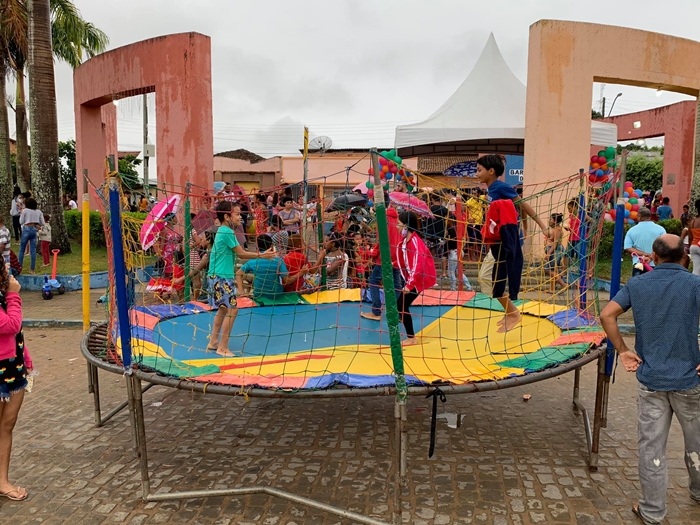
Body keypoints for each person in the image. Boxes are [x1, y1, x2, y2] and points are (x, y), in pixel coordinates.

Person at [600, 234, 700, 524]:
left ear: (653, 258)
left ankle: (653, 511)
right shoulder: (695, 285)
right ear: (685, 257)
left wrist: (623, 351)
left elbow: (607, 315)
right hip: (689, 380)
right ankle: (697, 491)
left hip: (651, 380)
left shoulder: (638, 284)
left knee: (651, 448)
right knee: (696, 442)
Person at [476, 155, 547, 332]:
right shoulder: (492, 190)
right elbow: (516, 207)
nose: (477, 174)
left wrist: (540, 226)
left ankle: (513, 313)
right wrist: (524, 226)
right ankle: (510, 312)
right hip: (497, 242)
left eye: (479, 170)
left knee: (494, 280)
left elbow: (522, 204)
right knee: (489, 278)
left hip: (504, 242)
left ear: (491, 171)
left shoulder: (501, 187)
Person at [206, 201, 272, 357]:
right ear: (227, 216)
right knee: (232, 310)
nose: (240, 217)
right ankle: (223, 347)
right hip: (221, 277)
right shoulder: (227, 232)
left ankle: (214, 341)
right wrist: (262, 255)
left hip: (215, 275)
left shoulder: (222, 231)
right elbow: (242, 253)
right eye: (237, 214)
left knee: (223, 308)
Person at [0, 266, 31, 501]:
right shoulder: (9, 295)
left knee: (7, 426)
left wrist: (25, 358)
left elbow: (16, 331)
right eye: (4, 267)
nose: (9, 270)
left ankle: (2, 480)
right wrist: (13, 294)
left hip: (14, 369)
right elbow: (9, 324)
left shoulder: (3, 295)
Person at [395, 211, 436, 345]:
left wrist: (410, 285)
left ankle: (411, 338)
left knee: (401, 305)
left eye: (399, 224)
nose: (397, 226)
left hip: (418, 279)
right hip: (412, 278)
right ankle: (408, 331)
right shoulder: (405, 241)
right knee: (401, 305)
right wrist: (394, 264)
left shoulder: (415, 241)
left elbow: (418, 264)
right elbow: (406, 260)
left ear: (406, 226)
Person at [361, 196, 404, 321]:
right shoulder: (397, 218)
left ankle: (376, 311)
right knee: (396, 285)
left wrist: (372, 253)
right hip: (396, 255)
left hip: (385, 255)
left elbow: (382, 240)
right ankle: (399, 313)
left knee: (373, 280)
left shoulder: (383, 218)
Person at [237, 234, 290, 300]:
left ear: (257, 247)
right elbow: (286, 281)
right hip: (276, 295)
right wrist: (300, 273)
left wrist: (242, 293)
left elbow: (238, 274)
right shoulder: (279, 261)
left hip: (259, 295)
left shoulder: (253, 262)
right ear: (271, 246)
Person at [624, 207, 665, 277]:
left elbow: (628, 247)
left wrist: (644, 254)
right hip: (656, 264)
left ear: (639, 217)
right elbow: (664, 246)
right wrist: (651, 256)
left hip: (639, 264)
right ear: (650, 216)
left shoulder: (631, 230)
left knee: (637, 286)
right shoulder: (661, 229)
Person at [18, 198, 44, 274]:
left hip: (26, 229)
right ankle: (32, 269)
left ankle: (19, 267)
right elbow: (42, 223)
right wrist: (36, 224)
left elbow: (21, 222)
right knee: (33, 250)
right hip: (34, 229)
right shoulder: (38, 212)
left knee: (22, 249)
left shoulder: (25, 211)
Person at [544, 213, 566, 292]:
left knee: (547, 269)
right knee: (553, 270)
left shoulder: (557, 229)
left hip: (555, 250)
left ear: (555, 221)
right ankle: (552, 289)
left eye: (551, 219)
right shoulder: (555, 229)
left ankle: (563, 284)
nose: (549, 221)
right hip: (553, 250)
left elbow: (555, 243)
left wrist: (549, 253)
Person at [683, 200, 700, 275]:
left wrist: (690, 247)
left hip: (694, 246)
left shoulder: (692, 222)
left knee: (696, 270)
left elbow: (690, 237)